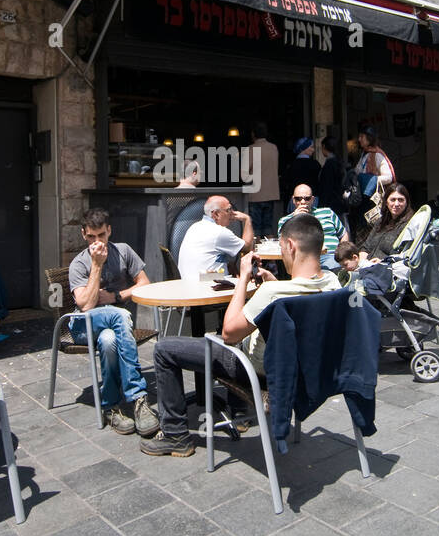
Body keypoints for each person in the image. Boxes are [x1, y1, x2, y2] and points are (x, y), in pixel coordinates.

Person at [140, 213, 341, 457]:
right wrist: (273, 282)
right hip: (305, 368)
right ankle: (239, 414)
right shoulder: (333, 284)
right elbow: (298, 301)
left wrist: (244, 278)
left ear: (290, 245)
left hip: (259, 371)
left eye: (281, 247)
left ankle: (176, 436)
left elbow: (228, 335)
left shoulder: (272, 293)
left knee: (164, 349)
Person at [68, 208, 157, 436]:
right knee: (121, 315)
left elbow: (145, 283)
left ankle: (111, 406)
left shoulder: (124, 251)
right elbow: (85, 305)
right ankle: (138, 396)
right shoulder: (79, 264)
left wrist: (117, 297)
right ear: (83, 234)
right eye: (91, 237)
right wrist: (96, 265)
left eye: (101, 235)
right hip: (84, 325)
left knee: (108, 340)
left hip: (114, 329)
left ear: (109, 231)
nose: (96, 241)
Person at [277, 184, 349, 271]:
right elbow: (283, 243)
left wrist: (341, 253)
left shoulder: (327, 213)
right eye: (298, 199)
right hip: (303, 258)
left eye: (307, 198)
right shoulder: (285, 221)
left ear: (312, 200)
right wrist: (295, 219)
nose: (302, 202)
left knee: (332, 265)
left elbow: (343, 234)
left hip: (331, 255)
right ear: (293, 200)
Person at [178, 195, 253, 277]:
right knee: (247, 279)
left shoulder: (194, 226)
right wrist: (247, 219)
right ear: (216, 214)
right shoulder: (220, 232)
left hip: (189, 279)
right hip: (205, 281)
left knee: (231, 268)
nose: (232, 213)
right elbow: (247, 247)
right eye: (228, 210)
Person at [352, 124, 395, 235]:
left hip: (372, 199)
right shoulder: (365, 154)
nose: (359, 139)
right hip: (363, 198)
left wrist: (370, 180)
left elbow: (388, 177)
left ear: (369, 138)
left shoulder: (377, 155)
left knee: (370, 230)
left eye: (362, 136)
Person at [360, 183, 415, 262]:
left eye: (401, 200)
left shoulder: (409, 226)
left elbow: (404, 256)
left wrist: (383, 262)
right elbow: (365, 248)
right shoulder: (380, 222)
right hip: (367, 267)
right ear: (386, 202)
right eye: (393, 200)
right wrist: (362, 262)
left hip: (387, 269)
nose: (396, 204)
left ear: (406, 203)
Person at [247, 123, 281, 238]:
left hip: (256, 193)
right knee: (268, 226)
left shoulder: (251, 149)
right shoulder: (273, 148)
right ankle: (269, 252)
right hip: (271, 193)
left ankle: (256, 253)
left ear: (253, 134)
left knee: (255, 227)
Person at [285, 137, 322, 206]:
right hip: (312, 200)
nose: (313, 150)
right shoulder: (315, 164)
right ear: (303, 148)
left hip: (296, 200)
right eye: (311, 147)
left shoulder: (292, 165)